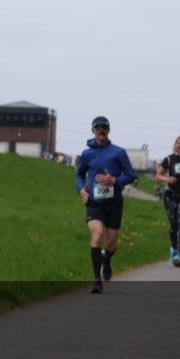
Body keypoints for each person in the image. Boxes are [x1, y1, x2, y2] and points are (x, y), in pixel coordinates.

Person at [76, 116, 136, 294]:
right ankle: (97, 280)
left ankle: (107, 258)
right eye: (98, 127)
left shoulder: (118, 152)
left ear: (108, 130)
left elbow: (131, 175)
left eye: (104, 127)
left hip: (114, 203)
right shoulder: (86, 154)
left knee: (110, 243)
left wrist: (114, 180)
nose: (101, 130)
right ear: (93, 130)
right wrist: (81, 189)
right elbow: (79, 175)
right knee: (97, 235)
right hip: (94, 203)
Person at [155, 135, 180, 267]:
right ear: (175, 145)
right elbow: (158, 175)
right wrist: (167, 179)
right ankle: (173, 247)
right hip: (170, 195)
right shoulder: (169, 159)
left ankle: (179, 255)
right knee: (174, 225)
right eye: (178, 143)